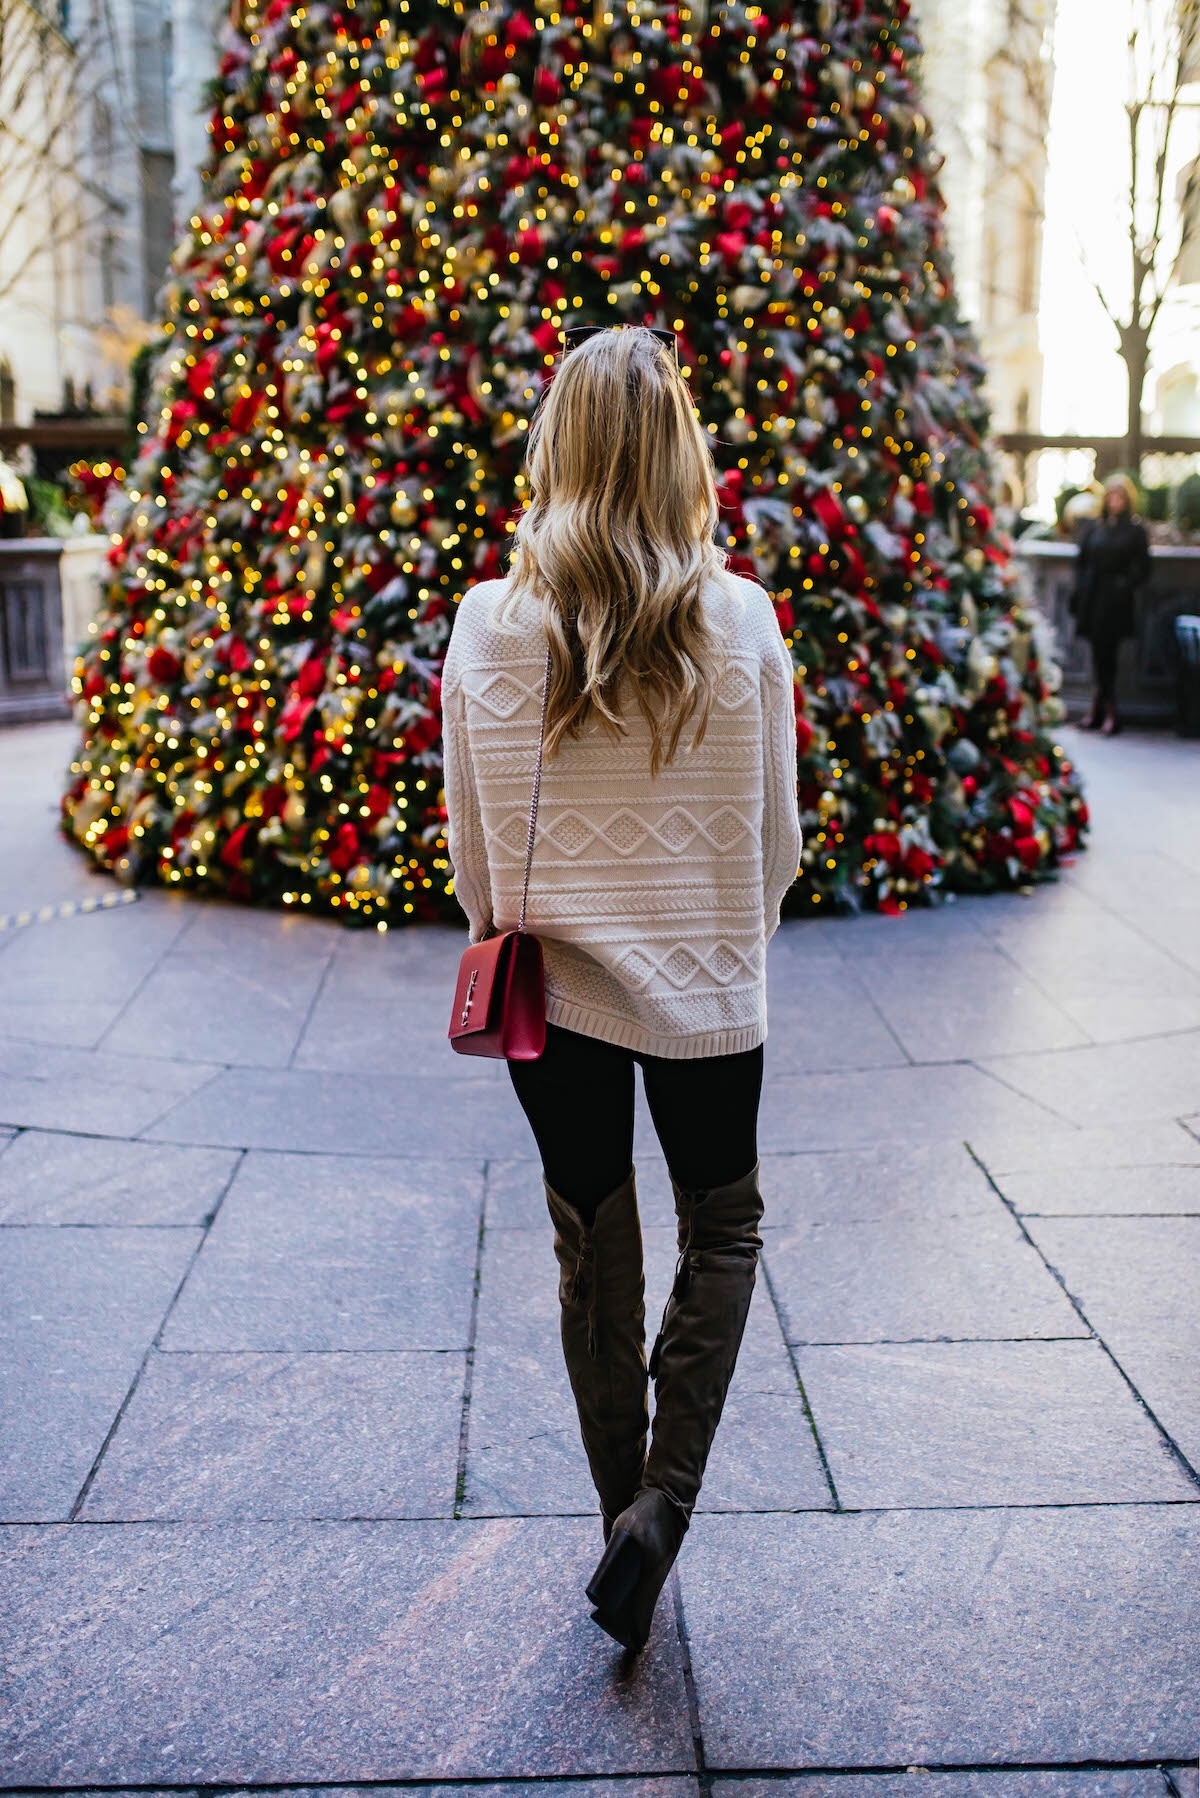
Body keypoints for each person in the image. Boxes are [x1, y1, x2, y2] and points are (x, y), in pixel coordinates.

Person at [441, 325, 802, 1655]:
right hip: (710, 982)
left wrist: (525, 923)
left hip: (557, 989)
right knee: (725, 1227)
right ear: (680, 455)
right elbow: (777, 844)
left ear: (562, 447)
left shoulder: (491, 621)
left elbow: (473, 844)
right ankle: (668, 1501)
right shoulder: (745, 618)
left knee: (593, 1244)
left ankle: (616, 1522)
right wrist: (715, 930)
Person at [1070, 473, 1151, 735]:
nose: (1114, 502)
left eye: (1119, 497)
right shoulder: (1094, 528)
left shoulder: (1135, 530)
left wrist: (1124, 584)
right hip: (1093, 598)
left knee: (1109, 655)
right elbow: (1081, 561)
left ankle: (1107, 709)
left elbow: (1143, 568)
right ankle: (1100, 707)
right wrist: (1083, 587)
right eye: (1111, 497)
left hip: (1115, 600)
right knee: (1096, 653)